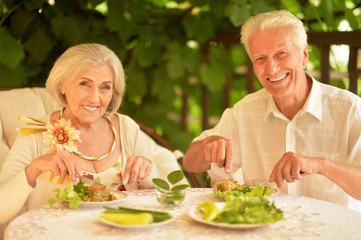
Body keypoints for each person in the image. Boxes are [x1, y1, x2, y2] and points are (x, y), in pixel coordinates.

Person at [183, 10, 361, 211]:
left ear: (304, 55)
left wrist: (321, 165)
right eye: (260, 59)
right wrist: (208, 145)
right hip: (266, 229)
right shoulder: (244, 111)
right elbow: (189, 162)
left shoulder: (349, 109)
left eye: (281, 54)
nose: (272, 69)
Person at [0, 43, 186, 225]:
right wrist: (34, 168)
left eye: (105, 87)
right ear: (62, 85)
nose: (94, 98)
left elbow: (166, 196)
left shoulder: (126, 128)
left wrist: (147, 170)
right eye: (84, 84)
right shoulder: (35, 132)